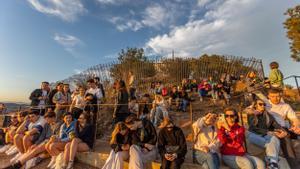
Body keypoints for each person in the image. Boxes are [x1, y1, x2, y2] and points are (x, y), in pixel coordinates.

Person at [245, 99, 285, 169]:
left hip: (265, 135)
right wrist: (268, 132)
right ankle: (272, 161)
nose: (263, 106)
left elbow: (276, 124)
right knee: (270, 142)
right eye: (260, 104)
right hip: (254, 135)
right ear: (255, 105)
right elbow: (253, 128)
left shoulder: (267, 115)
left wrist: (282, 131)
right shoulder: (251, 114)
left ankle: (272, 163)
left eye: (264, 104)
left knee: (274, 138)